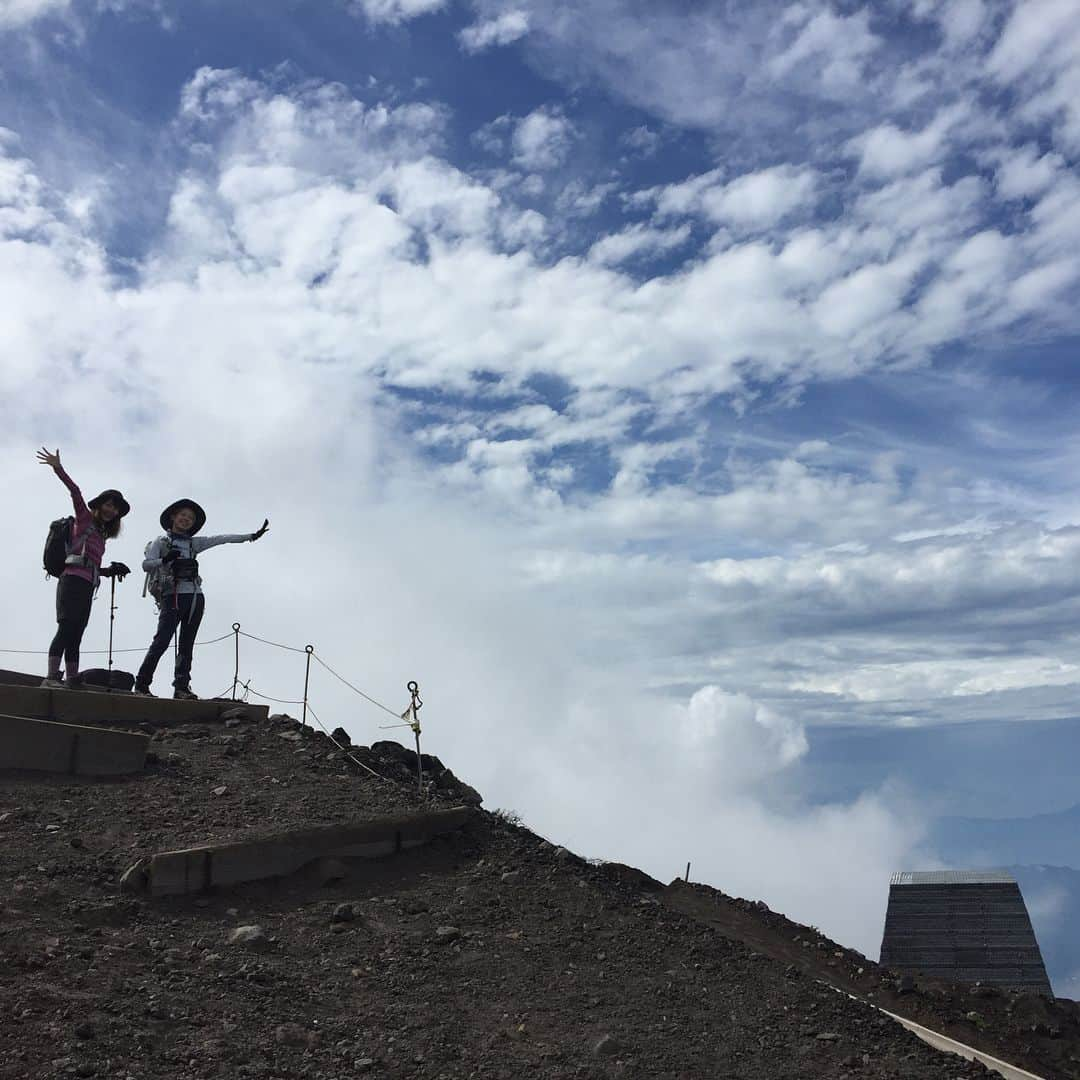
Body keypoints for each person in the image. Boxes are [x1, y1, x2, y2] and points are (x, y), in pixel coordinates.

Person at [135, 499, 269, 699]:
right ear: (173, 516)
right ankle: (142, 684)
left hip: (195, 597)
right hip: (171, 596)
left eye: (190, 518)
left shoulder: (193, 543)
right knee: (161, 641)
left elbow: (221, 538)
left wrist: (250, 536)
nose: (186, 520)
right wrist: (165, 560)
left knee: (187, 643)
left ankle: (181, 687)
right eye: (183, 515)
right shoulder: (160, 542)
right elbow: (146, 565)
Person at [37, 447, 131, 689]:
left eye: (115, 508)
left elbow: (92, 564)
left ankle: (72, 677)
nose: (111, 510)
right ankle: (50, 677)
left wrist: (110, 570)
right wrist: (58, 467)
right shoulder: (85, 520)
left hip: (87, 583)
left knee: (77, 631)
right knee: (67, 627)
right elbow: (75, 492)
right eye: (109, 505)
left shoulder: (101, 535)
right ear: (99, 505)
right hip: (71, 581)